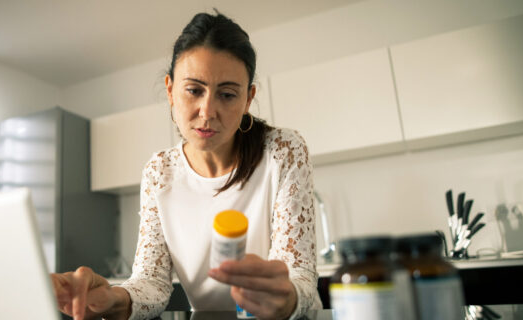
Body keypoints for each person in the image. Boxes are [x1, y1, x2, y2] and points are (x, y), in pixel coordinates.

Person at [51, 11, 322, 320]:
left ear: (248, 100)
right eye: (194, 90)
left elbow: (300, 276)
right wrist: (113, 298)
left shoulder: (283, 151)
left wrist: (286, 300)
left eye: (228, 94)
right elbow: (150, 282)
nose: (207, 112)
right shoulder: (159, 171)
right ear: (170, 91)